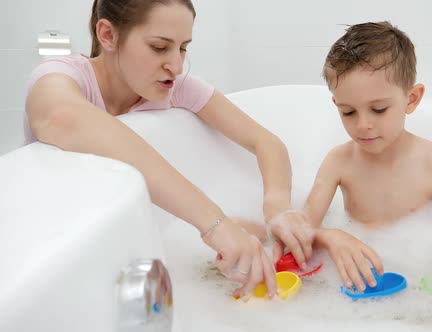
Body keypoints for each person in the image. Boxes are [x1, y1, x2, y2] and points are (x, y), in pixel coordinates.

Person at [24, 0, 309, 300]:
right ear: (107, 35)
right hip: (52, 251)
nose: (176, 64)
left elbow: (266, 142)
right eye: (160, 47)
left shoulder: (175, 86)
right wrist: (216, 225)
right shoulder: (63, 76)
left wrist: (277, 209)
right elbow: (62, 117)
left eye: (183, 48)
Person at [303, 21, 432, 296]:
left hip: (413, 277)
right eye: (348, 112)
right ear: (336, 105)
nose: (362, 125)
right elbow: (303, 228)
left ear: (411, 99)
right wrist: (331, 237)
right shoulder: (338, 161)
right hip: (350, 277)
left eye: (378, 109)